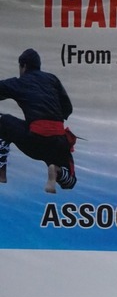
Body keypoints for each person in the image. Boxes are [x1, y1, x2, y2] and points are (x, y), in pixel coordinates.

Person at [0, 48, 78, 192]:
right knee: (71, 181)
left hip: (35, 140)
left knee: (2, 121)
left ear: (23, 66)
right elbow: (68, 108)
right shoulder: (52, 79)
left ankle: (1, 173)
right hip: (59, 142)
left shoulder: (20, 82)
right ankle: (57, 171)